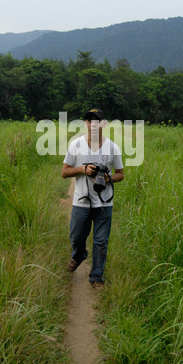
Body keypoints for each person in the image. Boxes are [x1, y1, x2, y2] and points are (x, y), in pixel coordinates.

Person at [61, 108, 124, 288]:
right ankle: (78, 255)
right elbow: (64, 172)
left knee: (101, 241)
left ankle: (96, 277)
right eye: (90, 121)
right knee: (76, 237)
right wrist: (82, 169)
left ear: (104, 124)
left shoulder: (112, 147)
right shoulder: (76, 145)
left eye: (97, 121)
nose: (93, 124)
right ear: (86, 124)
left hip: (104, 203)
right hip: (81, 201)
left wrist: (106, 178)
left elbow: (120, 174)